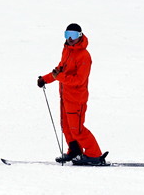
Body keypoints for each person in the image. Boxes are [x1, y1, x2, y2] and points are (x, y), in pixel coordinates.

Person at [37, 23, 107, 165]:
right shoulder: (67, 50)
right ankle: (74, 151)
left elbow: (79, 80)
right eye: (67, 34)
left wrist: (59, 77)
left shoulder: (84, 56)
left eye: (73, 35)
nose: (70, 38)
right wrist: (45, 79)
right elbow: (60, 70)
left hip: (77, 99)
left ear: (80, 36)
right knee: (66, 127)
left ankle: (94, 155)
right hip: (65, 97)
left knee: (78, 129)